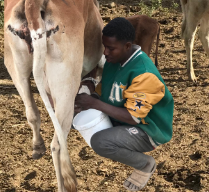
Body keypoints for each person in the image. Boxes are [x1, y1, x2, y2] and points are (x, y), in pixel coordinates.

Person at [75, 17, 174, 191]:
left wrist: (93, 103)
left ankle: (145, 164)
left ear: (127, 46)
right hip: (122, 118)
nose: (105, 53)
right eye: (104, 47)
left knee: (100, 141)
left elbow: (133, 117)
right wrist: (89, 93)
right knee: (77, 116)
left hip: (148, 129)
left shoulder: (143, 73)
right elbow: (105, 94)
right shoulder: (115, 61)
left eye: (110, 48)